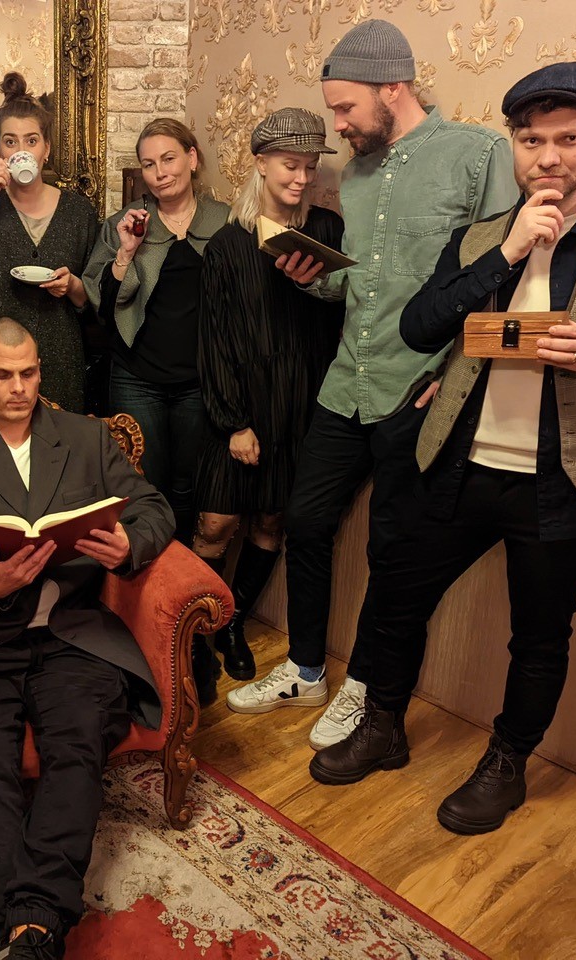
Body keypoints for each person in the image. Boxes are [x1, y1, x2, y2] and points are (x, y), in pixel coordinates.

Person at [309, 63, 576, 834]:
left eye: (568, 139)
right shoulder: (481, 236)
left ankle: (506, 761)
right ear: (514, 145)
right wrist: (506, 253)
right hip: (454, 466)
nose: (548, 157)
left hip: (565, 483)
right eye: (530, 140)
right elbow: (420, 327)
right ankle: (383, 725)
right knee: (394, 600)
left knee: (538, 637)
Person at [227, 20, 519, 747]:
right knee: (305, 522)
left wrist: (455, 373)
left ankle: (365, 686)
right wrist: (311, 277)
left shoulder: (478, 155)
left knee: (392, 551)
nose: (337, 125)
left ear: (393, 88)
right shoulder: (356, 176)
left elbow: (503, 281)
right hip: (344, 385)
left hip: (417, 390)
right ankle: (305, 670)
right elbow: (359, 288)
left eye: (345, 108)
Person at [0, 318, 174, 959]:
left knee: (79, 743)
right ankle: (32, 932)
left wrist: (130, 544)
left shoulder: (86, 438)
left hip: (70, 632)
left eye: (28, 372)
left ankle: (26, 933)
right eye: (3, 375)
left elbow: (154, 508)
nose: (19, 387)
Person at [190, 109, 344, 704]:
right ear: (260, 162)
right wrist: (234, 423)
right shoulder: (229, 244)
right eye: (289, 165)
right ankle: (195, 638)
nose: (301, 178)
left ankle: (231, 623)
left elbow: (342, 313)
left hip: (302, 406)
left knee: (272, 521)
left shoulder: (327, 230)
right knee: (216, 524)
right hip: (240, 408)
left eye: (310, 167)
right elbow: (215, 339)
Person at [82, 118, 230, 545]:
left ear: (192, 158)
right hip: (137, 378)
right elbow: (101, 306)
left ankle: (179, 571)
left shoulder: (225, 221)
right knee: (144, 485)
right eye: (149, 164)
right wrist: (126, 253)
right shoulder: (125, 223)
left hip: (199, 381)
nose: (160, 172)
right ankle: (145, 572)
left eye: (168, 159)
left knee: (187, 487)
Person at [0, 72, 99, 413]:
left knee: (61, 443)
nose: (21, 151)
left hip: (60, 359)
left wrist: (72, 285)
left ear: (46, 149)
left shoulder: (78, 212)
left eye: (31, 141)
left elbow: (94, 300)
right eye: (10, 142)